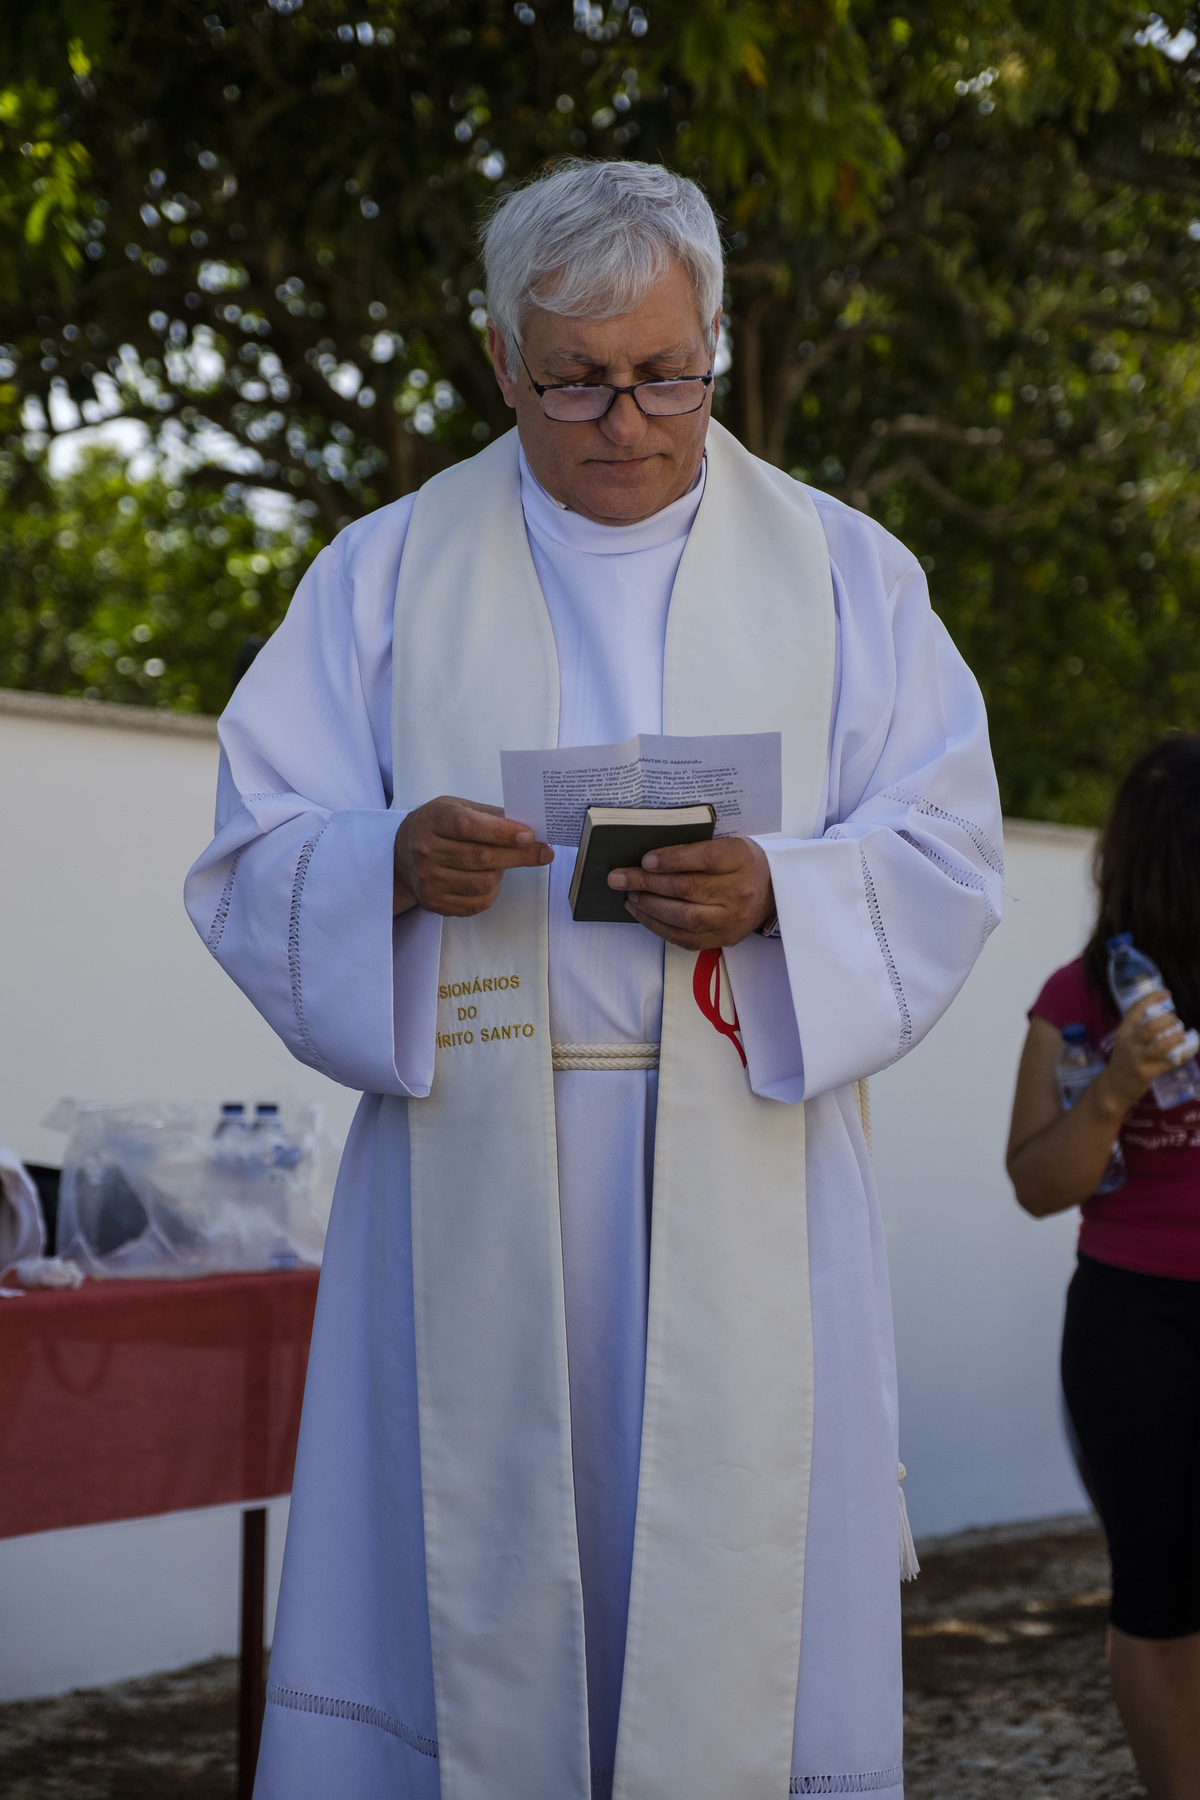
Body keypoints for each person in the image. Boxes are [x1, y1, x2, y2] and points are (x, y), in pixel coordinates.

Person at [185, 159, 1003, 1800]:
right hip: (478, 1179)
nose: (624, 420)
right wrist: (386, 870)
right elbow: (255, 846)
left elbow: (946, 850)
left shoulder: (852, 576)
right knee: (483, 1601)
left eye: (664, 375)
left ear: (714, 340)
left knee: (731, 1585)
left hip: (754, 1159)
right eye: (573, 380)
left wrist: (786, 889)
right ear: (499, 359)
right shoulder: (384, 574)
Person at [1007, 735, 1200, 1800]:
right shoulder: (1076, 997)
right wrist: (1116, 1087)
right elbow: (1037, 1183)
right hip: (1134, 1321)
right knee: (1158, 1592)